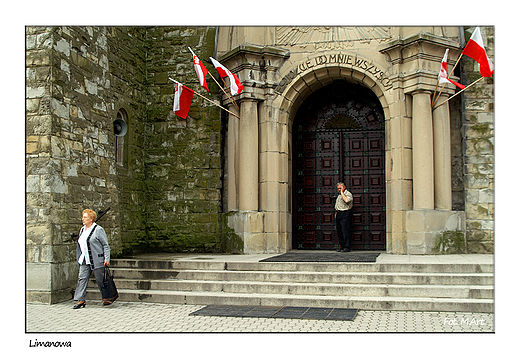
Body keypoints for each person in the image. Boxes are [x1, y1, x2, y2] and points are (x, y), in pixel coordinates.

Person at [72, 209, 111, 309]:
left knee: (100, 280)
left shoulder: (98, 230)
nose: (83, 219)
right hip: (84, 259)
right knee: (82, 278)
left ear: (91, 219)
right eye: (83, 217)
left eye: (85, 217)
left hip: (96, 259)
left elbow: (105, 245)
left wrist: (107, 258)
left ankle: (106, 297)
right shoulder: (82, 229)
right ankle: (81, 300)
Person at [334, 182, 353, 252]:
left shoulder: (348, 194)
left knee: (345, 230)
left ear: (344, 187)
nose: (339, 190)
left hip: (345, 213)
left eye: (340, 188)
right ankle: (342, 246)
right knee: (339, 231)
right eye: (338, 188)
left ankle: (347, 247)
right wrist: (336, 213)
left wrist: (342, 192)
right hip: (339, 213)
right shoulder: (339, 195)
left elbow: (346, 200)